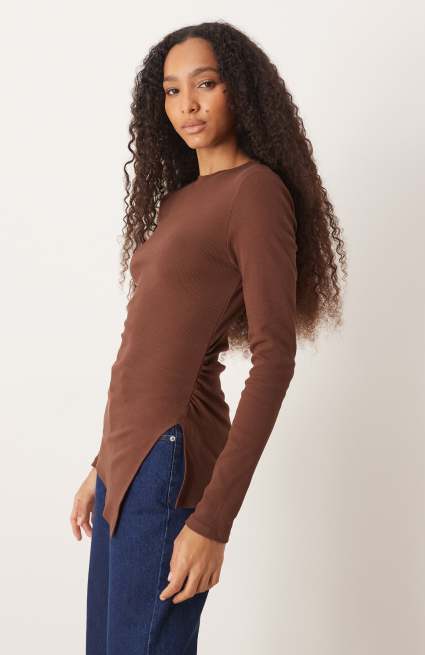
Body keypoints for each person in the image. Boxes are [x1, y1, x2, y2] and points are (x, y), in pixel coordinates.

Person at [69, 20, 347, 654]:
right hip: (126, 462)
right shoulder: (178, 203)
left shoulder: (255, 193)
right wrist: (102, 462)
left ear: (239, 90)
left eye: (205, 84)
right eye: (171, 90)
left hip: (168, 460)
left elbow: (275, 359)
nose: (187, 105)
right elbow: (145, 343)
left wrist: (214, 520)